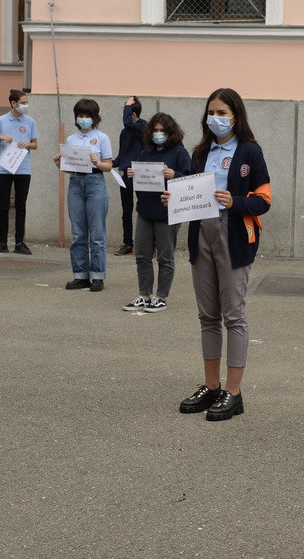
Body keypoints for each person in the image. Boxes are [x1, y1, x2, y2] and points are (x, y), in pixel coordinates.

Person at [164, 88, 271, 422]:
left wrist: (234, 202)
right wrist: (175, 198)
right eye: (211, 112)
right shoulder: (200, 151)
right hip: (202, 233)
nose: (216, 118)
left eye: (222, 113)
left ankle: (233, 393)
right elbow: (190, 190)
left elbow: (264, 200)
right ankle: (212, 386)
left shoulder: (250, 151)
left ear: (236, 116)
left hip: (234, 234)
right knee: (207, 315)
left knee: (233, 315)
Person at [123, 112, 191, 312]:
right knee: (142, 255)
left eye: (162, 130)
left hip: (168, 211)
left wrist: (175, 174)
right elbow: (137, 184)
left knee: (165, 256)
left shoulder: (180, 153)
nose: (158, 134)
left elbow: (189, 180)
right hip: (145, 209)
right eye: (155, 130)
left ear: (171, 132)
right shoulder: (146, 153)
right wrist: (131, 175)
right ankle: (144, 295)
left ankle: (161, 296)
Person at [52, 99, 113, 292]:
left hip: (95, 183)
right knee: (78, 233)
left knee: (97, 233)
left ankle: (98, 275)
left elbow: (108, 166)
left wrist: (97, 162)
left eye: (87, 116)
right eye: (80, 116)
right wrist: (59, 164)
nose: (84, 119)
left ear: (95, 117)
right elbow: (69, 167)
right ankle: (80, 275)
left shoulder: (102, 138)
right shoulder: (71, 139)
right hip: (76, 183)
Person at [0, 89, 38, 255]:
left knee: (20, 205)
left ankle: (19, 242)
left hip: (23, 168)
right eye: (23, 102)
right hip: (4, 168)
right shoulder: (1, 120)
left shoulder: (30, 121)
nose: (26, 105)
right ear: (13, 103)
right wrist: (0, 138)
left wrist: (28, 144)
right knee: (3, 205)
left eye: (26, 102)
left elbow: (35, 144)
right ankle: (2, 242)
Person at [114, 96, 146, 256]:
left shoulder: (144, 127)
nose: (124, 115)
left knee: (144, 208)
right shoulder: (124, 132)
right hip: (125, 175)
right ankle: (128, 243)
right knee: (126, 211)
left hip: (141, 175)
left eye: (126, 112)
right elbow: (121, 156)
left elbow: (128, 123)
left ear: (132, 114)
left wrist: (128, 105)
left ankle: (149, 244)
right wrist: (105, 163)